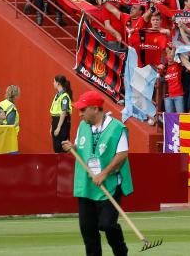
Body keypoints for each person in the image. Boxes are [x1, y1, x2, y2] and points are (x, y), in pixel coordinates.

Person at [61, 90, 132, 256]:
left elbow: (122, 154)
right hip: (87, 185)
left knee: (107, 225)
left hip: (110, 184)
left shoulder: (117, 128)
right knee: (88, 230)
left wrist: (104, 174)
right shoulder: (83, 126)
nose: (79, 114)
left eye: (82, 110)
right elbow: (80, 147)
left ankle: (121, 252)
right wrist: (72, 148)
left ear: (95, 109)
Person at [50, 74, 73, 153]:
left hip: (62, 122)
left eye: (54, 81)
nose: (53, 83)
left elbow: (63, 112)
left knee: (62, 146)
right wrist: (52, 126)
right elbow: (54, 112)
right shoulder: (57, 95)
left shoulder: (64, 96)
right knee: (56, 146)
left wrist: (59, 127)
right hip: (55, 121)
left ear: (58, 83)